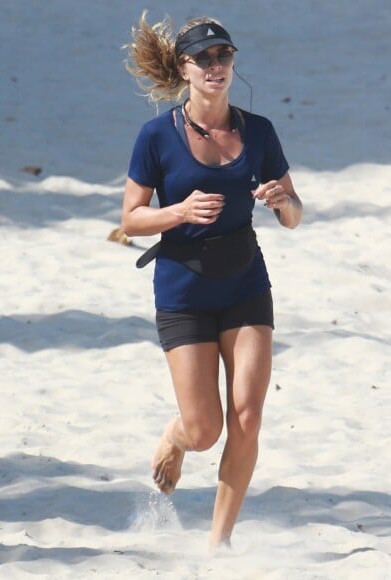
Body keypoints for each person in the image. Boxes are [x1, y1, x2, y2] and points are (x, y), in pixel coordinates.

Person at [120, 11, 303, 550]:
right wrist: (177, 212)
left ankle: (217, 544)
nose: (216, 66)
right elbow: (130, 219)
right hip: (184, 292)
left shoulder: (259, 130)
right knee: (206, 429)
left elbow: (295, 214)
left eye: (223, 56)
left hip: (245, 283)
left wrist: (282, 200)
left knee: (247, 415)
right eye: (204, 58)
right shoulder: (156, 136)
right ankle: (176, 437)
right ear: (185, 68)